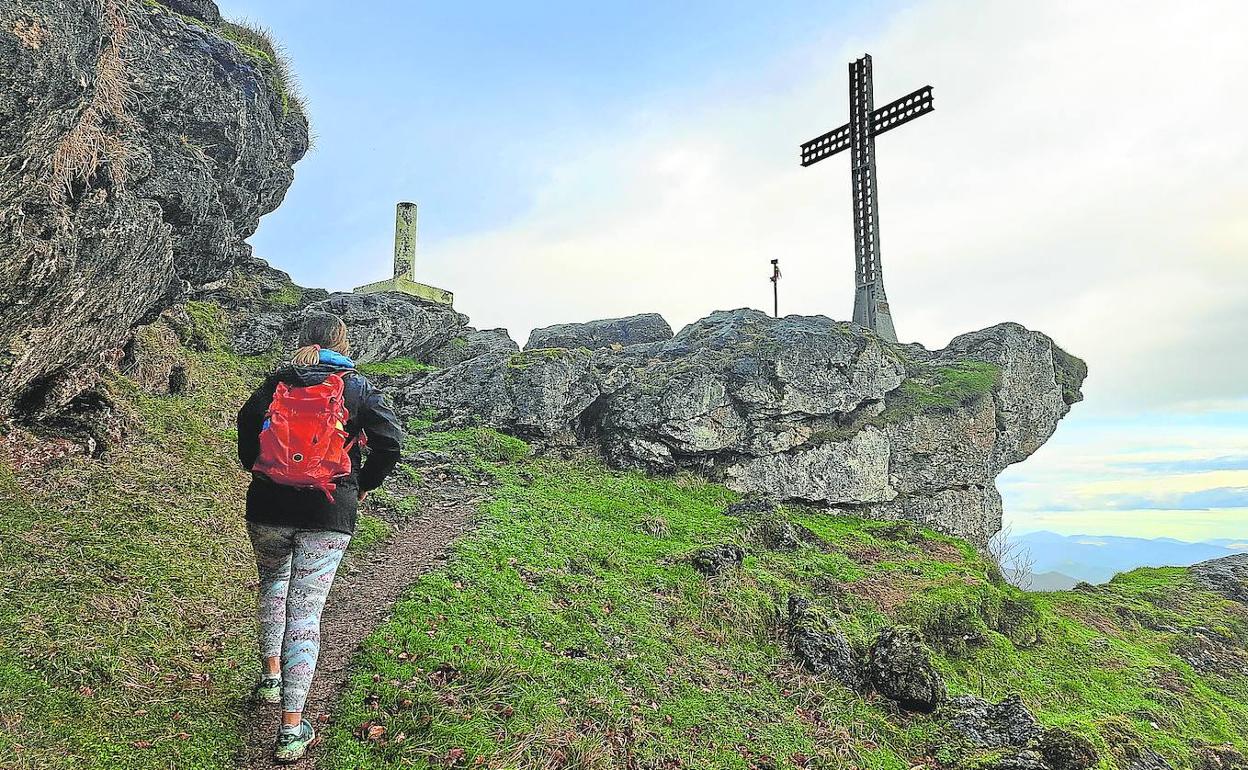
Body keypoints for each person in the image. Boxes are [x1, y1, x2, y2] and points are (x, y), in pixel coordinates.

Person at [236, 312, 403, 762]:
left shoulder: (276, 382)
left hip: (268, 506)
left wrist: (260, 468)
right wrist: (362, 484)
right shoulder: (357, 387)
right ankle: (291, 728)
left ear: (303, 340)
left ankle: (271, 677)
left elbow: (246, 426)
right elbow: (390, 442)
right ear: (342, 344)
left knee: (272, 584)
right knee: (305, 611)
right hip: (330, 510)